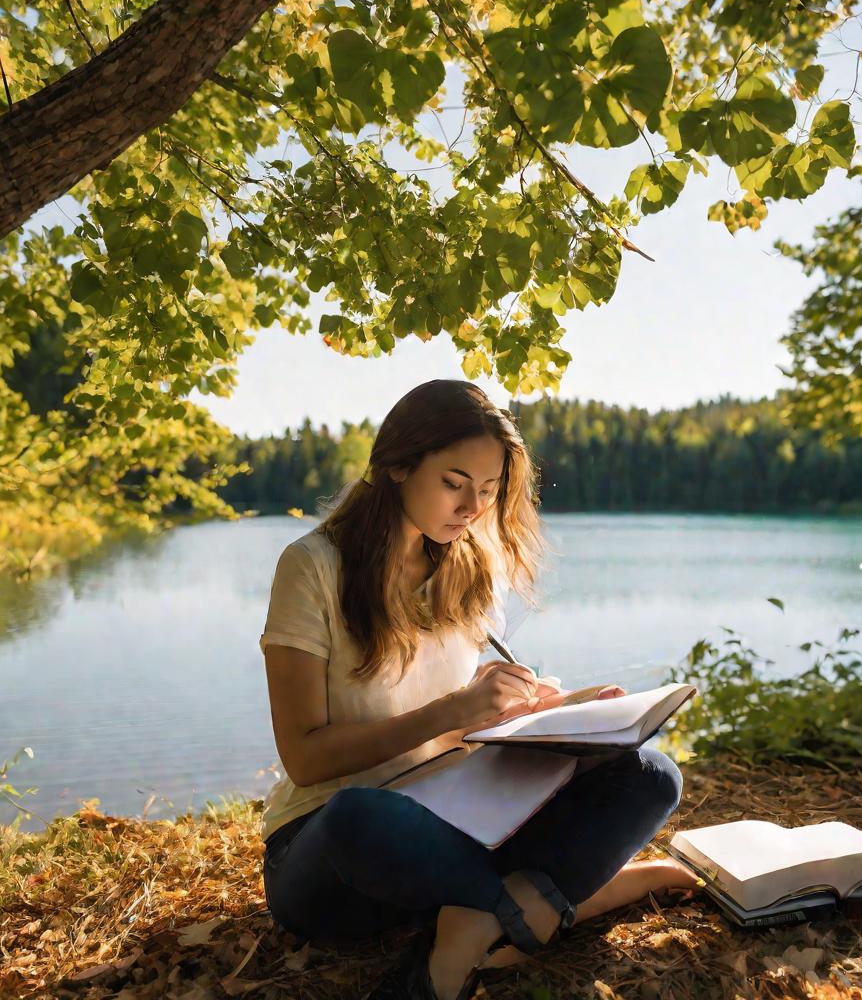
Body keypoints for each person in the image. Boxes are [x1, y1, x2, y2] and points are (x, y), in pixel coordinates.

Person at [259, 379, 699, 1000]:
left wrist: (557, 712)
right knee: (361, 814)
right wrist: (456, 709)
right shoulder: (312, 566)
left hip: (451, 818)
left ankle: (479, 916)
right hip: (330, 847)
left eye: (489, 492)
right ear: (396, 465)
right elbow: (305, 759)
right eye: (454, 482)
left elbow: (467, 723)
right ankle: (556, 899)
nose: (471, 507)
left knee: (650, 773)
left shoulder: (466, 566)